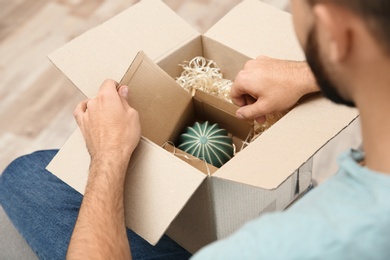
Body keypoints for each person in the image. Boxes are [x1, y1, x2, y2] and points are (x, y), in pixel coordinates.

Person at [1, 0, 389, 258]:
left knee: (23, 177)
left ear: (336, 33)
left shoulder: (266, 247)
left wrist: (109, 155)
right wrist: (310, 73)